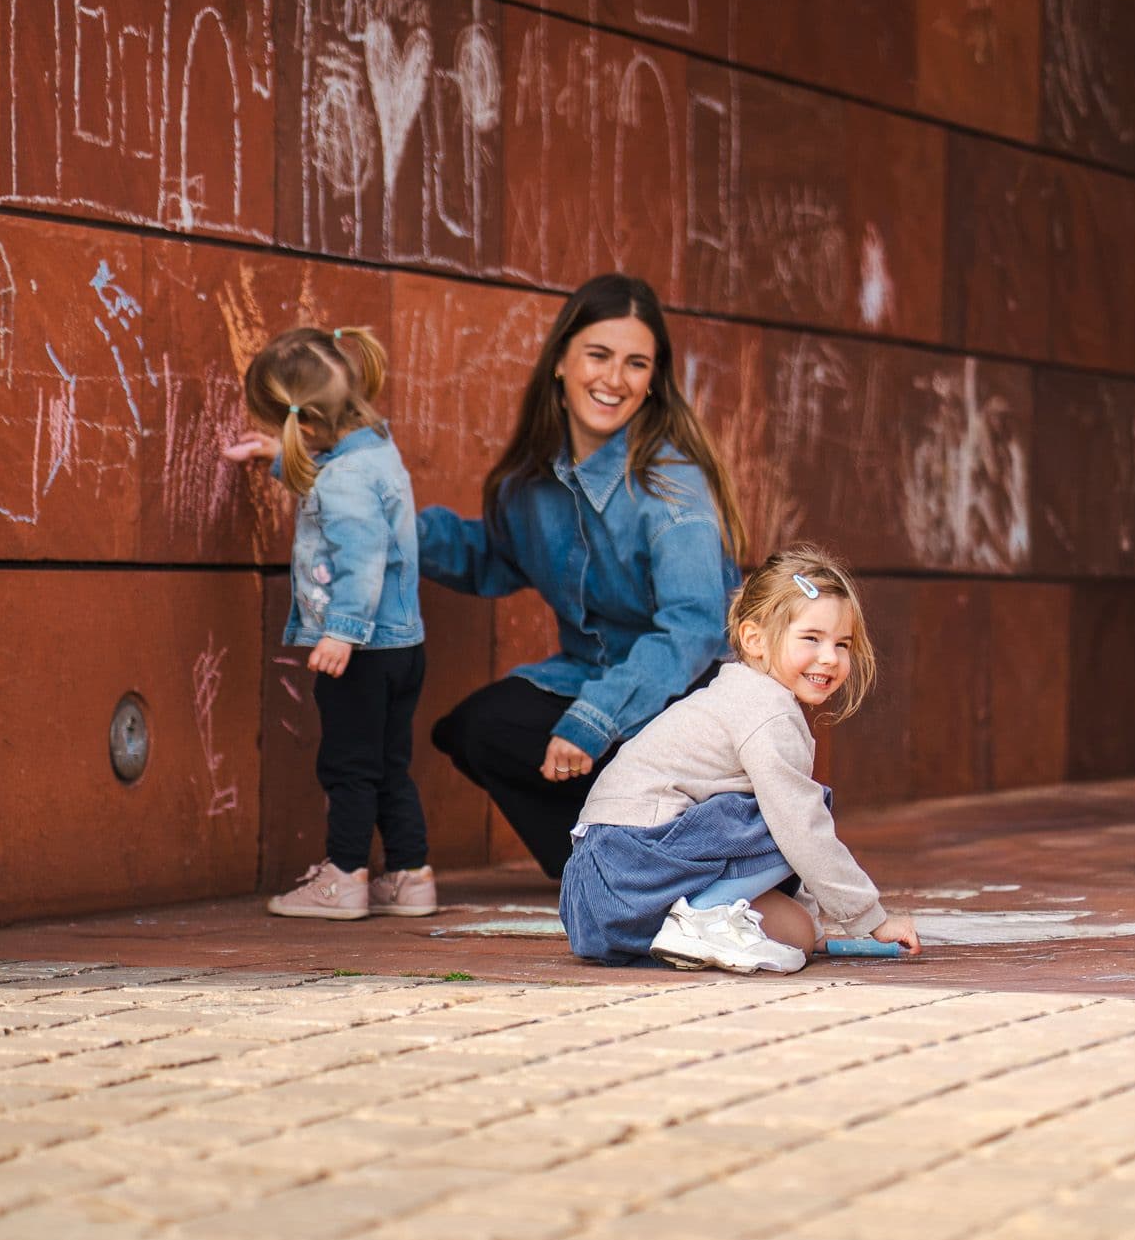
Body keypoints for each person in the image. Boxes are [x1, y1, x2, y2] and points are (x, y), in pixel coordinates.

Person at [419, 274, 746, 878]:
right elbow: (492, 556)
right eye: (598, 355)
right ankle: (610, 864)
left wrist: (594, 719)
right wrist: (380, 527)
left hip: (686, 694)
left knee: (599, 730)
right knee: (478, 730)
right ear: (561, 362)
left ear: (653, 381)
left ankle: (670, 858)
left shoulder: (671, 489)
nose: (614, 379)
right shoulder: (535, 483)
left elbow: (694, 627)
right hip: (594, 674)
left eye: (636, 364)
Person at [559, 545, 922, 973]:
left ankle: (693, 925)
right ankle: (698, 920)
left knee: (799, 935)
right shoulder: (767, 711)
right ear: (754, 639)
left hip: (598, 898)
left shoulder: (735, 693)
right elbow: (798, 826)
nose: (830, 657)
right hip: (634, 867)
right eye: (811, 638)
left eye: (842, 644)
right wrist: (871, 920)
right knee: (799, 807)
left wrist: (814, 923)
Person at [224, 326, 435, 921]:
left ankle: (344, 877)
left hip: (359, 651)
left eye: (283, 430)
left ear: (309, 426)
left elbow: (361, 552)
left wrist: (341, 632)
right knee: (389, 766)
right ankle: (410, 876)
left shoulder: (342, 478)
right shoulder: (376, 449)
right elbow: (336, 488)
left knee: (348, 767)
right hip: (402, 646)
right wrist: (276, 459)